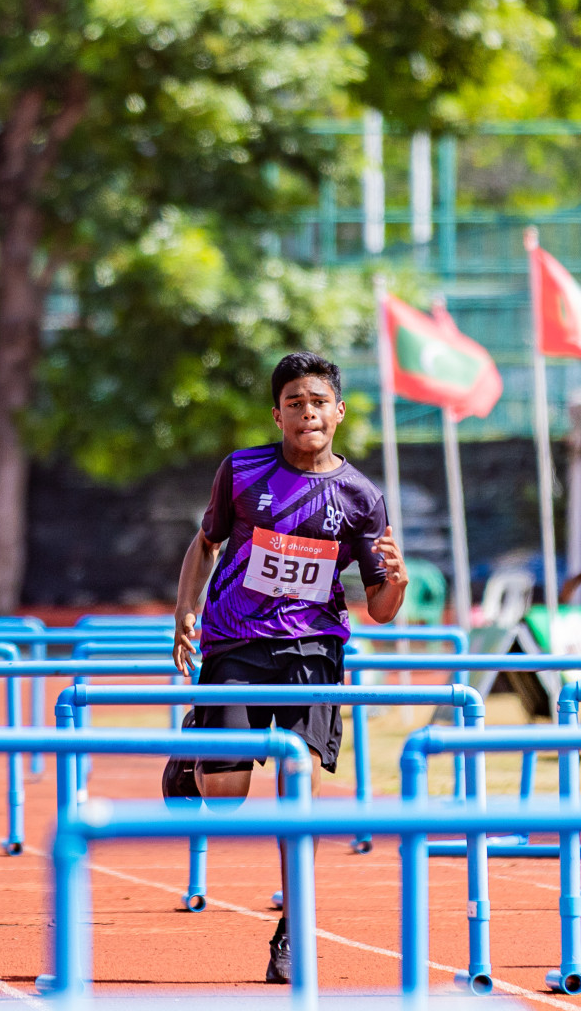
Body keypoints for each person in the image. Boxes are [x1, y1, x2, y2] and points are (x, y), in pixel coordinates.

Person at [171, 351, 407, 985]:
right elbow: (207, 543)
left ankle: (292, 931)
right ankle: (196, 758)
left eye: (319, 401)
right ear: (277, 414)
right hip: (236, 643)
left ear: (339, 412)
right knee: (225, 800)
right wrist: (184, 611)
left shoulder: (361, 496)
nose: (308, 412)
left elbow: (381, 608)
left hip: (314, 649)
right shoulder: (242, 471)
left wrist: (398, 584)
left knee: (297, 789)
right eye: (295, 402)